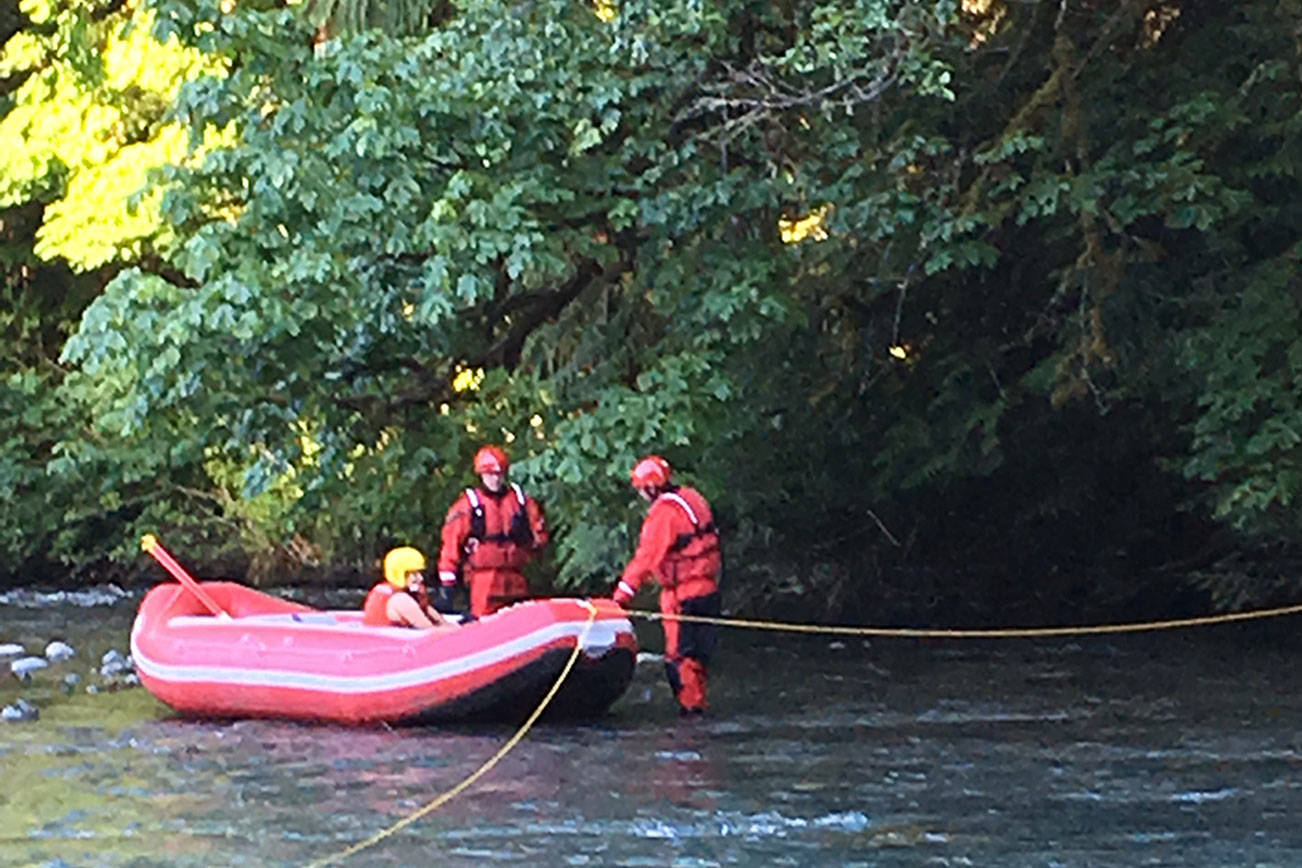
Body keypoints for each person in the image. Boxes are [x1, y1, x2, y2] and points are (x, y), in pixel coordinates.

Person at [612, 455, 721, 715]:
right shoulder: (692, 498)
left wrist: (619, 599)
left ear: (651, 488)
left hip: (683, 595)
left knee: (679, 657)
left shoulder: (664, 515)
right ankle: (698, 705)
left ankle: (692, 713)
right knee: (699, 655)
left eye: (641, 489)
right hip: (709, 590)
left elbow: (645, 560)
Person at [437, 444, 549, 617]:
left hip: (516, 578)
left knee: (519, 622)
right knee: (484, 622)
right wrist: (448, 585)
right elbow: (451, 546)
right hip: (484, 580)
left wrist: (528, 538)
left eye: (499, 474)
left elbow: (541, 538)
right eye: (490, 474)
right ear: (481, 474)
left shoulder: (521, 503)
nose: (495, 479)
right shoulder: (468, 506)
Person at [363, 546, 456, 629]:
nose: (421, 578)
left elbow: (442, 623)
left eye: (420, 573)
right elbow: (431, 631)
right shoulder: (400, 599)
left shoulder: (408, 596)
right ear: (399, 574)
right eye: (414, 574)